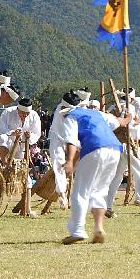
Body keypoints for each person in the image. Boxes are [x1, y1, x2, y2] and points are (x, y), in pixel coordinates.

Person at [56, 91, 131, 245]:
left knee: (81, 191)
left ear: (64, 108)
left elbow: (71, 141)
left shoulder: (70, 117)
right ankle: (98, 228)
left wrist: (69, 161)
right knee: (100, 191)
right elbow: (120, 122)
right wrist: (129, 117)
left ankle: (77, 231)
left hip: (94, 149)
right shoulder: (96, 113)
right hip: (114, 150)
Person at [105, 89, 140, 212]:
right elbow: (130, 124)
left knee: (117, 176)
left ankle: (107, 205)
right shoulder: (132, 108)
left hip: (116, 144)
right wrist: (136, 122)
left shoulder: (112, 107)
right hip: (129, 143)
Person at [0, 97, 41, 164]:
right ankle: (5, 163)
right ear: (17, 109)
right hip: (9, 142)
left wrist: (29, 136)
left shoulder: (34, 115)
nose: (25, 115)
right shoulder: (8, 112)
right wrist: (12, 133)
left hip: (23, 145)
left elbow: (37, 133)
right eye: (23, 112)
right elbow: (0, 128)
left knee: (19, 165)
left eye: (27, 113)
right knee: (2, 137)